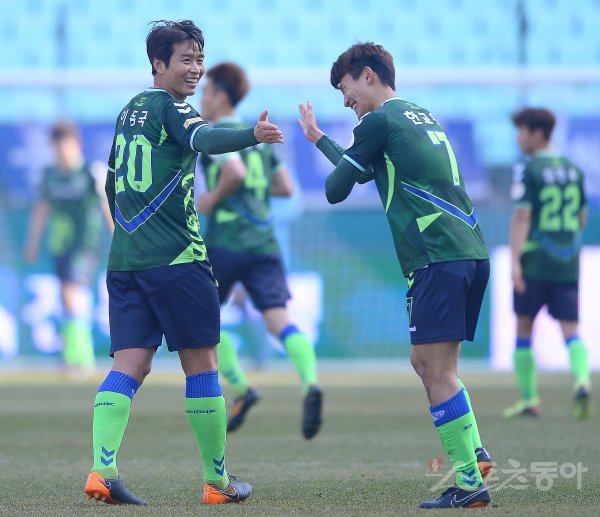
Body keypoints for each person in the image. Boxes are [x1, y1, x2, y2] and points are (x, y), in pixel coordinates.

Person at [83, 20, 283, 506]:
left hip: (126, 260)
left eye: (200, 60)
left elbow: (110, 183)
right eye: (185, 60)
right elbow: (206, 141)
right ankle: (217, 482)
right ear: (158, 64)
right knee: (203, 365)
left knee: (130, 364)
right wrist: (251, 135)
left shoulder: (129, 111)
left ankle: (102, 471)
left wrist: (130, 232)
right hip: (177, 258)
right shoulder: (174, 109)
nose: (195, 69)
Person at [298, 42, 493, 509]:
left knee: (432, 368)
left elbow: (336, 189)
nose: (346, 100)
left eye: (346, 88)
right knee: (434, 365)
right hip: (469, 251)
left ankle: (470, 483)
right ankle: (475, 452)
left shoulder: (377, 121)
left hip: (435, 253)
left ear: (368, 75)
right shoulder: (419, 116)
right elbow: (368, 172)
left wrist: (335, 147)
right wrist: (319, 138)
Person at [197, 62, 322, 439]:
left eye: (206, 91)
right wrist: (256, 192)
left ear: (221, 96)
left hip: (226, 242)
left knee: (201, 321)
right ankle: (310, 382)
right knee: (279, 319)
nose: (201, 98)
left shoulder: (217, 134)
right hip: (264, 243)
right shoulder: (258, 135)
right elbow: (285, 187)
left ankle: (241, 387)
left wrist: (212, 199)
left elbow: (234, 173)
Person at [504, 107, 591, 419]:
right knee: (571, 330)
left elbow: (522, 216)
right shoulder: (574, 170)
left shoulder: (529, 170)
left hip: (535, 262)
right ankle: (582, 380)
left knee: (524, 326)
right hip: (567, 262)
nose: (519, 138)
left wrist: (515, 261)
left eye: (522, 131)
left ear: (537, 134)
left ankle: (530, 400)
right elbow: (581, 218)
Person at [24, 121, 113, 377]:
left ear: (77, 145)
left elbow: (105, 206)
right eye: (57, 147)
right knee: (67, 297)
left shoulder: (90, 172)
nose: (62, 152)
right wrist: (32, 242)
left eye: (66, 146)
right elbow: (42, 210)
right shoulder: (50, 175)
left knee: (71, 293)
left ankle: (80, 358)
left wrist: (116, 236)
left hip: (85, 245)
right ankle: (73, 356)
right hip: (60, 244)